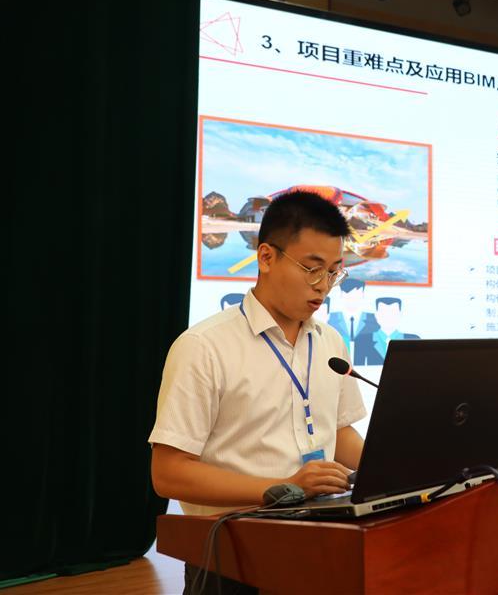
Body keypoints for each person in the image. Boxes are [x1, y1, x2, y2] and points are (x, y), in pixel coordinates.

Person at [149, 191, 367, 594]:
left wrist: (391, 469)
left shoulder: (331, 342)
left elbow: (337, 432)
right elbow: (168, 473)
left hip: (319, 542)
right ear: (266, 257)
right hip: (230, 554)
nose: (323, 287)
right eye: (312, 269)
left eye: (334, 272)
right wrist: (285, 486)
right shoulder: (204, 347)